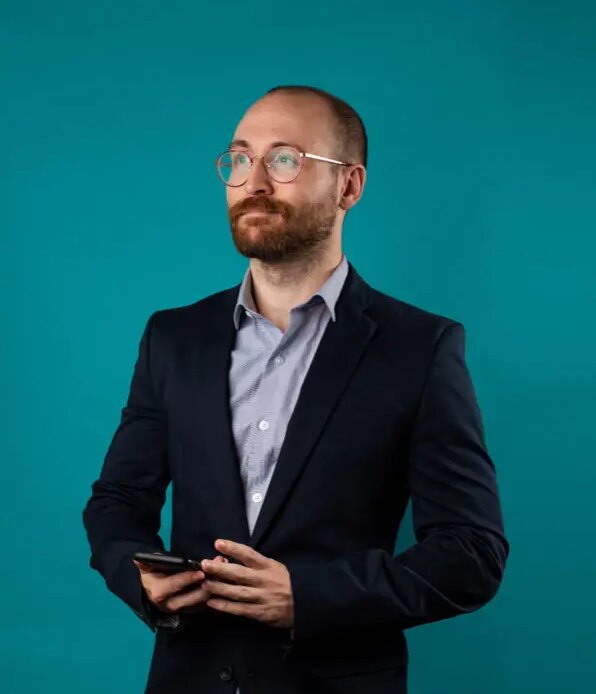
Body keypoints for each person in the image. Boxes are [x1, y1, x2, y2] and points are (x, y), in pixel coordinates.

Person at [82, 84, 509, 694]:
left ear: (349, 186)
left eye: (285, 159)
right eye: (240, 158)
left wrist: (309, 597)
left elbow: (472, 553)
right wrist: (139, 577)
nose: (253, 181)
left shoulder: (421, 348)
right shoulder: (174, 337)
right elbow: (118, 500)